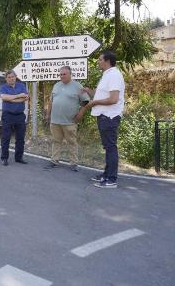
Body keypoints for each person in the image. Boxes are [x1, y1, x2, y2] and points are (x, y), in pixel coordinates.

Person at [83, 50, 125, 189]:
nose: (98, 61)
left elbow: (113, 99)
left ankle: (111, 179)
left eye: (100, 59)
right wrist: (90, 92)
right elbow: (102, 94)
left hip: (109, 117)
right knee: (108, 147)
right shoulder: (107, 75)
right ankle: (106, 175)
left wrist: (93, 103)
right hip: (104, 116)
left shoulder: (114, 75)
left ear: (107, 61)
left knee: (111, 147)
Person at [44, 66, 89, 171]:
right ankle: (54, 160)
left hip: (69, 121)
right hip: (55, 120)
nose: (62, 76)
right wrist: (47, 115)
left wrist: (80, 114)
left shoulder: (77, 86)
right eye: (61, 74)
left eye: (64, 74)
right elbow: (51, 101)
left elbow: (86, 101)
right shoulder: (56, 85)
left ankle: (73, 163)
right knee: (56, 141)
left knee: (71, 142)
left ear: (70, 74)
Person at [0, 70, 29, 166]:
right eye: (9, 77)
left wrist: (12, 99)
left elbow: (25, 98)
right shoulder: (3, 87)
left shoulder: (22, 86)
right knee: (6, 137)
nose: (11, 78)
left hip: (20, 115)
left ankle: (19, 158)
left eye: (13, 76)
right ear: (6, 79)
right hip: (8, 115)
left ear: (16, 77)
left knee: (20, 138)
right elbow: (4, 97)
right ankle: (4, 158)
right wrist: (18, 96)